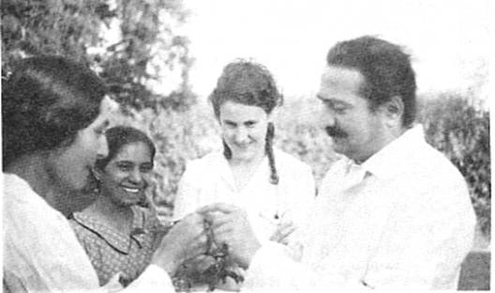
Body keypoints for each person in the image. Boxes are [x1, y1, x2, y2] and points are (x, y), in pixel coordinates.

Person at [201, 36, 477, 291]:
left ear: (392, 111)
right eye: (324, 105)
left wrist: (256, 255)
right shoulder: (342, 173)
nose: (324, 120)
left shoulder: (433, 188)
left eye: (339, 108)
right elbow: (306, 263)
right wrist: (247, 245)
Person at [2, 56, 206, 292]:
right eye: (98, 132)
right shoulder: (31, 221)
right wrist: (166, 263)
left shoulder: (17, 205)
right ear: (57, 130)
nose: (103, 150)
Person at [173, 60, 315, 289]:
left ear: (270, 116)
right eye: (230, 124)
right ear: (218, 118)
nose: (240, 136)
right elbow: (181, 259)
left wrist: (219, 252)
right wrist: (266, 250)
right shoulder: (197, 174)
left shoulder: (296, 176)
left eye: (250, 124)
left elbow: (301, 263)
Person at [70, 126, 166, 287]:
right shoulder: (78, 233)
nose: (136, 178)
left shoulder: (148, 222)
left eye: (145, 169)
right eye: (124, 167)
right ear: (97, 170)